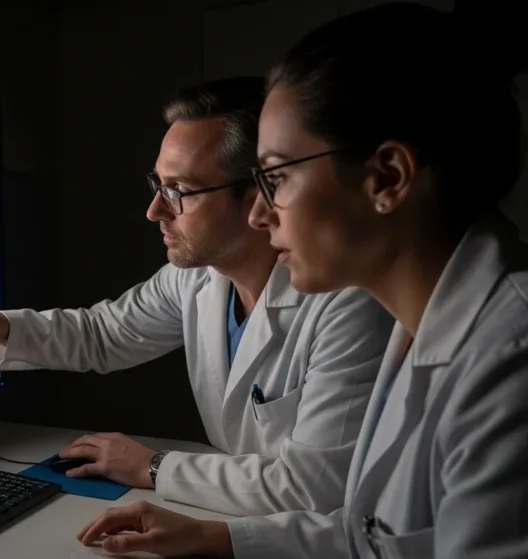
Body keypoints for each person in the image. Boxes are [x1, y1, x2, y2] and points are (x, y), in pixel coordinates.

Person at [76, 3, 528, 558]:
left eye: (277, 177)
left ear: (387, 177)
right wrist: (222, 538)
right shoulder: (429, 329)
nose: (261, 215)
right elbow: (389, 537)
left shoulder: (510, 359)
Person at [0, 77, 394, 517]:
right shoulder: (198, 280)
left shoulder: (346, 303)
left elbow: (314, 489)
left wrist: (150, 466)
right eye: (157, 183)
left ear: (257, 194)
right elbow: (103, 334)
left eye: (179, 191)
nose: (154, 210)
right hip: (243, 520)